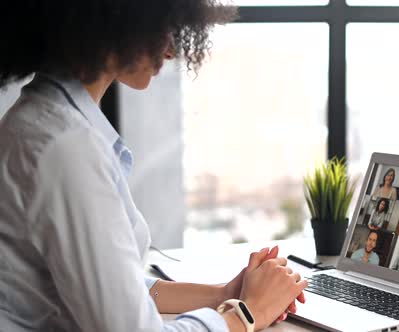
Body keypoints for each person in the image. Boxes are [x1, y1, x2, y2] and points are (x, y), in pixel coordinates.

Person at [0, 2, 307, 332]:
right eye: (161, 27)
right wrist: (248, 313)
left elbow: (120, 291)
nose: (172, 49)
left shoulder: (41, 123)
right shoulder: (65, 150)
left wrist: (226, 293)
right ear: (112, 22)